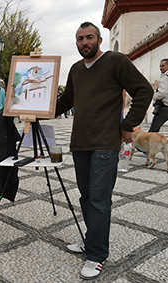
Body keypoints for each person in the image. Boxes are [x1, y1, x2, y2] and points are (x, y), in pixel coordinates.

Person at [56, 22, 153, 280]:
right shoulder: (76, 70)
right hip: (80, 143)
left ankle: (97, 255)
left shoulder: (115, 61)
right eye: (79, 39)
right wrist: (38, 110)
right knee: (87, 197)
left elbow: (144, 90)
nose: (84, 42)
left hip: (104, 145)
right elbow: (66, 101)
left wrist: (127, 123)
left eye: (89, 37)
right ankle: (91, 241)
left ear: (99, 40)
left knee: (99, 200)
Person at [148, 59, 168, 132]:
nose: (161, 68)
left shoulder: (165, 77)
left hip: (164, 108)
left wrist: (154, 97)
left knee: (153, 130)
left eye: (163, 66)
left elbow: (162, 92)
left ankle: (149, 143)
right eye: (160, 66)